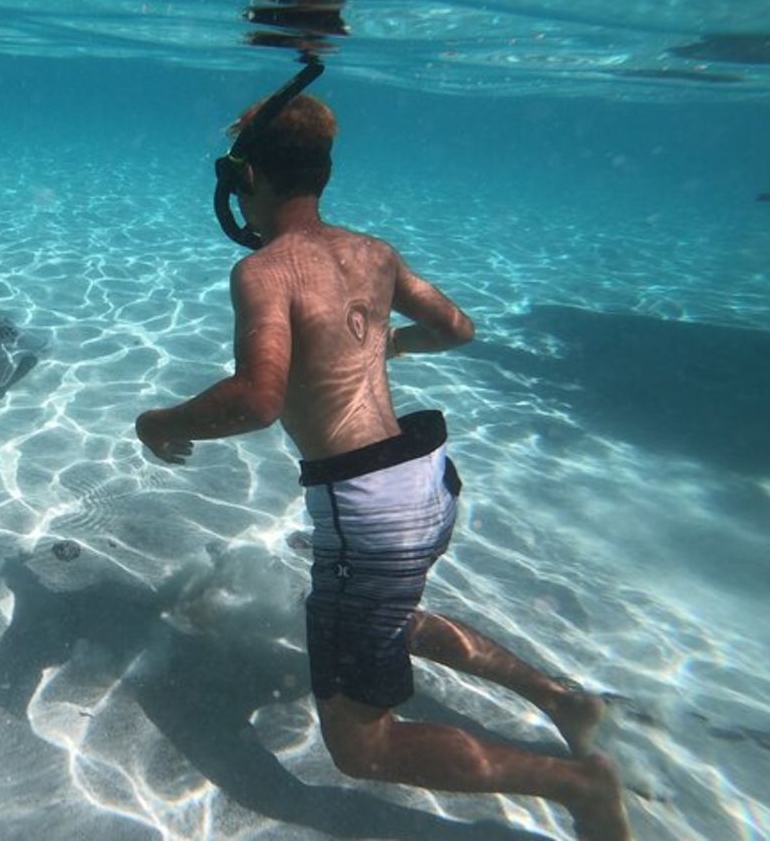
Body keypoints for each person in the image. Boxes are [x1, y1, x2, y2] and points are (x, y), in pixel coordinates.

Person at [134, 89, 631, 840]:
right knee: (392, 613)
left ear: (249, 179)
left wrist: (160, 423)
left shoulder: (265, 271)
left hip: (367, 508)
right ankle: (566, 702)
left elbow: (259, 397)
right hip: (429, 481)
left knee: (361, 745)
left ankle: (579, 785)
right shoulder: (373, 252)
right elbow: (458, 328)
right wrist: (388, 345)